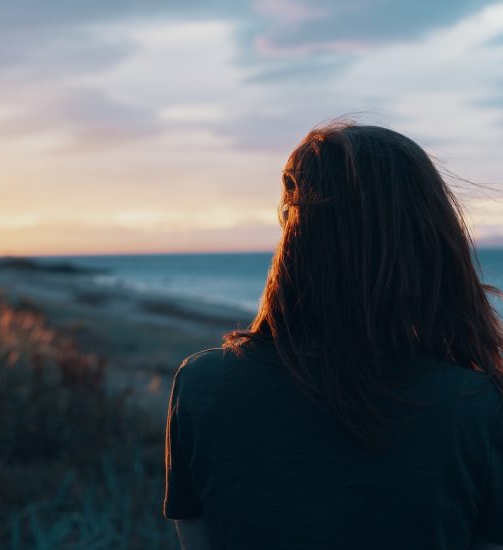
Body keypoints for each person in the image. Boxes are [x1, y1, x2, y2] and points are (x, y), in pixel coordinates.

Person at [163, 122, 503, 550]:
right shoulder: (472, 404)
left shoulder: (203, 384)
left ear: (295, 237)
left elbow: (198, 541)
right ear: (431, 242)